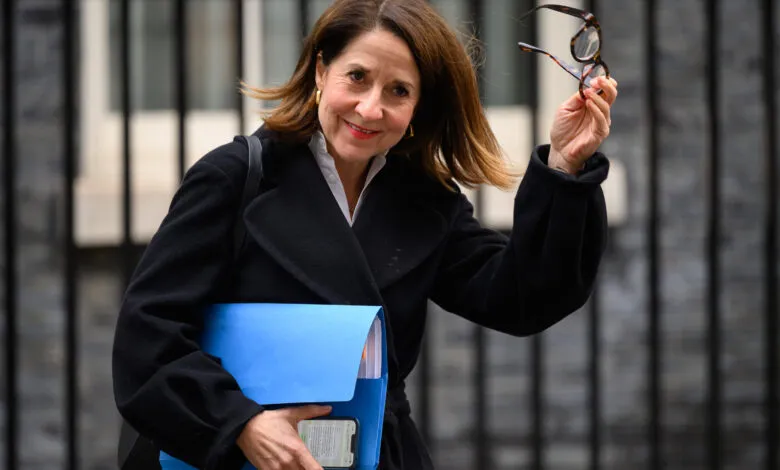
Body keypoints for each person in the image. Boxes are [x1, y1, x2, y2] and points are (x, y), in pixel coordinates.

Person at [111, 0, 618, 469]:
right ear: (320, 71)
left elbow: (519, 297)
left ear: (419, 107)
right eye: (357, 77)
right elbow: (149, 335)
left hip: (375, 454)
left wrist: (565, 166)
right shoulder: (233, 179)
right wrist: (240, 423)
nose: (371, 109)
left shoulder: (424, 201)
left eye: (398, 90)